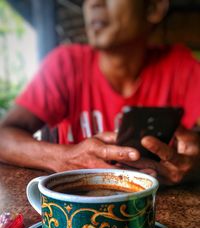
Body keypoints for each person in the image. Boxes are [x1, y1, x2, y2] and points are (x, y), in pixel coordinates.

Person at [0, 0, 199, 185]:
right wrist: (64, 157)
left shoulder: (183, 69)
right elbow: (3, 136)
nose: (93, 3)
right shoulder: (65, 64)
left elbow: (194, 153)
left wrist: (194, 165)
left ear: (153, 8)